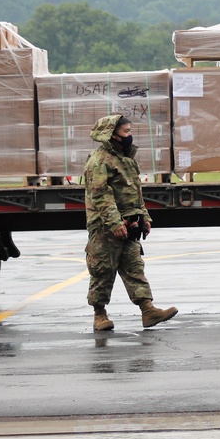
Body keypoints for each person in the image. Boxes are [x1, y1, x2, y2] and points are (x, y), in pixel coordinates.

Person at [84, 114, 177, 331]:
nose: (129, 135)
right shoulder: (99, 161)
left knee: (134, 267)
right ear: (111, 134)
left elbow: (135, 192)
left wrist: (144, 217)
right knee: (103, 271)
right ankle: (99, 315)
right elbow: (100, 196)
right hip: (106, 227)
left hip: (130, 223)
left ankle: (148, 310)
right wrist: (115, 223)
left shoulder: (126, 159)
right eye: (126, 131)